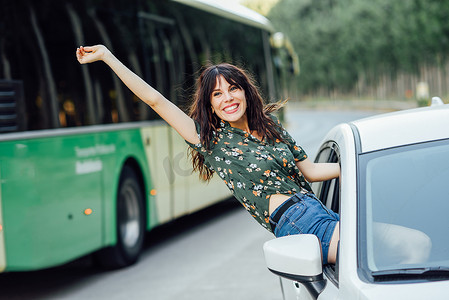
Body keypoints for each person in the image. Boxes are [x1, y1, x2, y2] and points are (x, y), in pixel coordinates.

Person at [76, 45, 341, 265]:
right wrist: (107, 57)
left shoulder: (270, 125)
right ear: (211, 105)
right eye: (217, 94)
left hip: (318, 208)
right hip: (296, 222)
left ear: (245, 92)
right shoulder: (211, 141)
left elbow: (311, 171)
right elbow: (154, 100)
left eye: (233, 89)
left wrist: (353, 164)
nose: (228, 98)